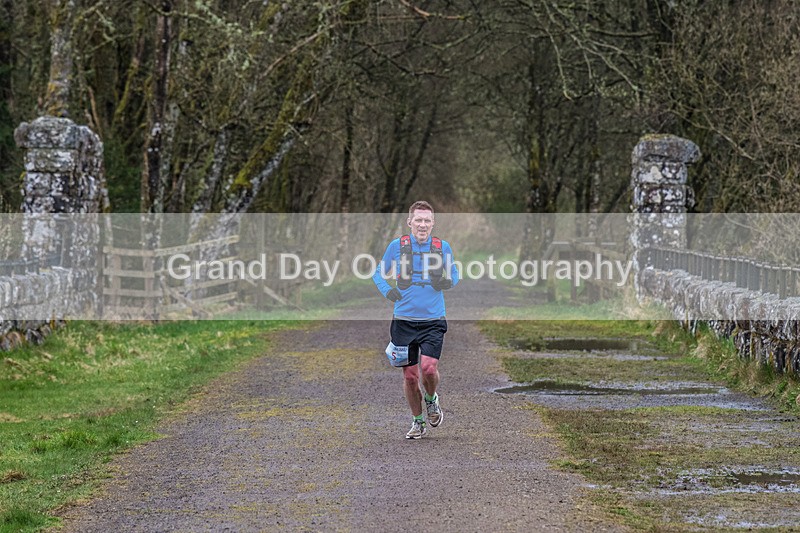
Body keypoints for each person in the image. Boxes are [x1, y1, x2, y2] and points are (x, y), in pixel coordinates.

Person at [372, 201, 459, 439]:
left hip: (433, 319)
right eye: (418, 220)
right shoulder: (397, 246)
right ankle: (417, 421)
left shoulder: (442, 247)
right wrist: (388, 291)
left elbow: (454, 274)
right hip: (403, 321)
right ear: (409, 222)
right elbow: (378, 273)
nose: (422, 224)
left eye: (427, 220)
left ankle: (431, 400)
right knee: (410, 376)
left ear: (433, 223)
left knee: (429, 369)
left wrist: (448, 282)